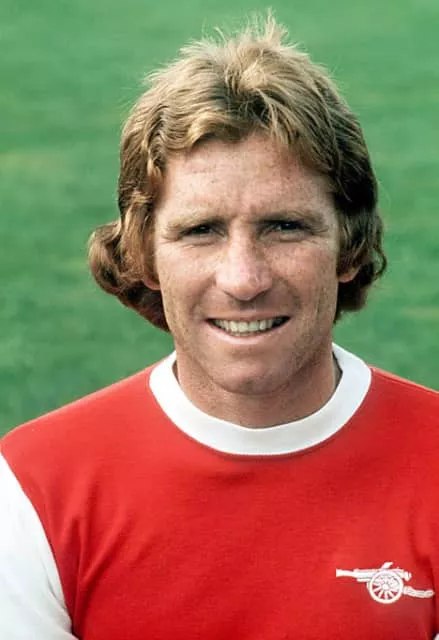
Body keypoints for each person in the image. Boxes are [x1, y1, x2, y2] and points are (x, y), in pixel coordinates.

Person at [1, 16, 438, 640]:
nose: (243, 278)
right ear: (145, 255)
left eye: (284, 227)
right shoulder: (33, 488)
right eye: (201, 230)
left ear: (349, 245)